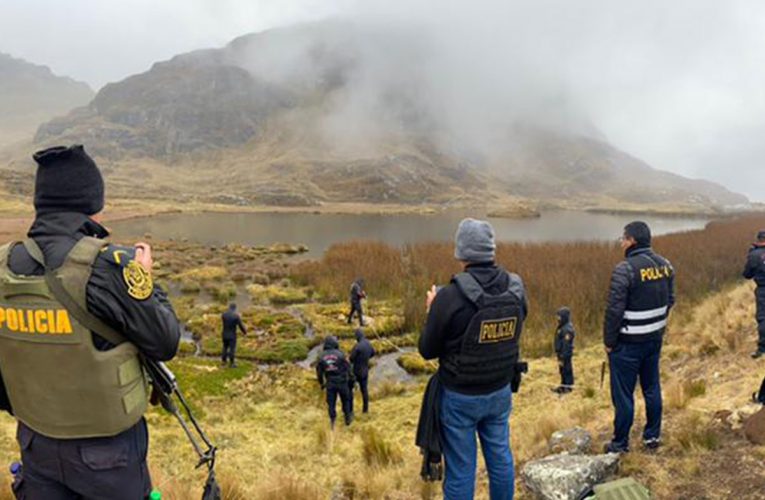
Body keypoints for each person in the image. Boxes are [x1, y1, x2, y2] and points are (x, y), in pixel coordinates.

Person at [0, 145, 181, 499]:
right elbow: (165, 341)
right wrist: (144, 282)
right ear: (92, 202)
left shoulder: (4, 267)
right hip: (108, 453)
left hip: (35, 443)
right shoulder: (109, 266)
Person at [419, 218, 527, 500]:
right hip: (501, 389)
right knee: (501, 457)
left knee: (461, 469)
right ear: (491, 250)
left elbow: (427, 350)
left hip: (459, 397)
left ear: (461, 253)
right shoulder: (516, 288)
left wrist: (433, 311)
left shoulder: (450, 296)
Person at [603, 221, 674, 454]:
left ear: (632, 240)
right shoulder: (666, 265)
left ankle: (620, 443)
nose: (621, 242)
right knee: (652, 387)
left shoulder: (625, 269)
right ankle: (652, 436)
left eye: (623, 238)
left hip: (628, 344)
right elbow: (670, 300)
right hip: (654, 340)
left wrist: (609, 342)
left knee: (623, 395)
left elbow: (614, 311)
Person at [316, 336, 354, 428]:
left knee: (331, 403)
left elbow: (319, 372)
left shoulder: (321, 356)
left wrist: (321, 383)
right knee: (345, 400)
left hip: (330, 383)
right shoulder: (341, 354)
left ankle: (333, 422)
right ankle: (347, 419)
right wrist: (352, 381)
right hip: (342, 381)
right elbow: (348, 369)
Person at [743, 230, 765, 358]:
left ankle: (762, 349)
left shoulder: (754, 255)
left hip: (763, 289)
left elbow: (747, 274)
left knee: (763, 318)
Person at [349, 328, 376, 413]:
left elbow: (351, 359)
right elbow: (373, 353)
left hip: (356, 371)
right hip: (365, 370)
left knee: (350, 390)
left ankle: (350, 410)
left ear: (357, 337)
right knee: (364, 391)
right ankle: (365, 410)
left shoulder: (357, 346)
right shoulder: (368, 343)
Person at [553, 307, 575, 394]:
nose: (558, 318)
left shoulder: (567, 329)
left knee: (567, 370)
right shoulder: (561, 327)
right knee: (562, 370)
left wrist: (562, 356)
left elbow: (566, 345)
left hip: (565, 354)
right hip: (560, 353)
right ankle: (563, 385)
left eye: (559, 316)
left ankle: (568, 387)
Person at [221, 303, 246, 368]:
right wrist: (245, 332)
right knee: (232, 349)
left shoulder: (224, 315)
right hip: (232, 335)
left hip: (224, 334)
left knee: (225, 348)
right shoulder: (236, 316)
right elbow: (241, 326)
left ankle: (224, 362)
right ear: (235, 308)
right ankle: (232, 364)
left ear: (229, 307)